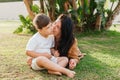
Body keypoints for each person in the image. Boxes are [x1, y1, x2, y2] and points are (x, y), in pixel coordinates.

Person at [26, 13, 75, 78]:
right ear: (39, 30)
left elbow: (51, 48)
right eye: (48, 28)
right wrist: (42, 55)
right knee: (42, 59)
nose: (51, 28)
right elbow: (28, 52)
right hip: (38, 61)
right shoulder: (35, 39)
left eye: (51, 25)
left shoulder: (50, 37)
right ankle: (65, 71)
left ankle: (52, 70)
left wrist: (54, 52)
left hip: (49, 59)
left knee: (65, 59)